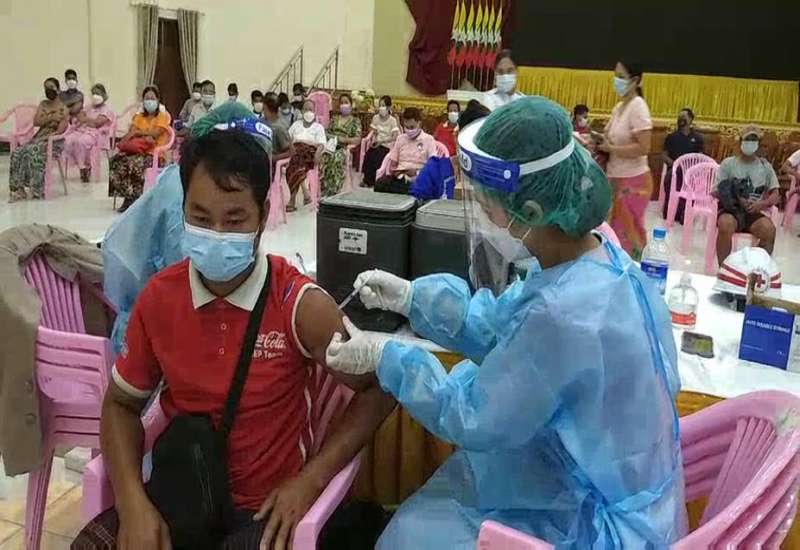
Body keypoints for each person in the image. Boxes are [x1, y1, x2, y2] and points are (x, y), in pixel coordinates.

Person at [325, 97, 686, 549]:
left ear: (531, 211)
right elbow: (501, 324)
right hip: (599, 478)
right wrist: (412, 298)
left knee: (409, 536)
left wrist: (387, 357)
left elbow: (473, 414)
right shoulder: (595, 257)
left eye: (488, 205)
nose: (485, 217)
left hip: (596, 524)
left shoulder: (564, 315)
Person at [72, 127, 396, 550]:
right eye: (201, 218)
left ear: (263, 215)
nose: (217, 233)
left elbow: (381, 388)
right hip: (183, 494)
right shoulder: (160, 299)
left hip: (265, 511)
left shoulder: (299, 306)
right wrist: (133, 504)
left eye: (235, 220)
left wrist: (311, 480)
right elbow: (121, 404)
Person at [598, 61, 653, 260]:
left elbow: (644, 147)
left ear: (635, 81)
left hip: (633, 181)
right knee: (613, 233)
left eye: (621, 77)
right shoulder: (620, 107)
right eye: (616, 76)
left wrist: (611, 149)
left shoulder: (638, 106)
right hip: (615, 177)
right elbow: (610, 137)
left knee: (629, 234)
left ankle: (636, 271)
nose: (617, 81)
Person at [714, 125, 779, 265]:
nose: (750, 143)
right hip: (731, 211)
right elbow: (716, 191)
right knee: (725, 224)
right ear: (740, 142)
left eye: (753, 140)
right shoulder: (728, 164)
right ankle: (723, 268)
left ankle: (755, 268)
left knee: (769, 230)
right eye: (747, 139)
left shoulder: (765, 167)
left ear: (759, 144)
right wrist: (736, 197)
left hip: (753, 212)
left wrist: (761, 204)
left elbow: (775, 195)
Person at [109, 85, 170, 213]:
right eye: (147, 98)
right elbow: (131, 132)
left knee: (134, 163)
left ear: (158, 100)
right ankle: (126, 196)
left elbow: (155, 134)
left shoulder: (162, 116)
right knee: (116, 160)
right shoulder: (139, 117)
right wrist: (142, 134)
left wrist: (138, 133)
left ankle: (135, 198)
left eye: (152, 98)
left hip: (154, 154)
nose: (149, 101)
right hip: (137, 150)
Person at [8, 77, 69, 201]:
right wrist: (52, 118)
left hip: (54, 141)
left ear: (58, 89)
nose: (48, 90)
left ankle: (37, 190)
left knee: (33, 151)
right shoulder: (43, 104)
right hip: (39, 137)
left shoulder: (64, 108)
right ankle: (18, 189)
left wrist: (47, 134)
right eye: (46, 87)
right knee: (17, 152)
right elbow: (36, 121)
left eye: (51, 87)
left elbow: (61, 130)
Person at [375, 107, 437, 194]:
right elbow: (393, 162)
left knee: (414, 188)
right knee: (379, 184)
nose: (409, 130)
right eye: (406, 127)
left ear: (419, 123)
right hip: (401, 177)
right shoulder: (401, 139)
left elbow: (433, 165)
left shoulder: (429, 140)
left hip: (418, 177)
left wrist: (417, 172)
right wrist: (395, 171)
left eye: (412, 127)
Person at [661, 108, 705, 222]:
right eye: (679, 117)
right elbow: (664, 156)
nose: (681, 120)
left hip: (691, 172)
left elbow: (700, 157)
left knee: (694, 181)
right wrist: (676, 164)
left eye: (684, 117)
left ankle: (686, 211)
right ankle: (671, 210)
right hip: (675, 171)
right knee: (672, 178)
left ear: (690, 119)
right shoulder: (671, 137)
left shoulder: (698, 138)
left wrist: (692, 169)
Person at [63, 83, 113, 182]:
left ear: (104, 95)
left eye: (98, 93)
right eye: (93, 93)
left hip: (96, 133)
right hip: (82, 129)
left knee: (81, 142)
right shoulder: (89, 106)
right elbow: (80, 116)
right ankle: (80, 164)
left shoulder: (106, 109)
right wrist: (87, 120)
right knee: (68, 140)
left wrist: (86, 120)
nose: (95, 96)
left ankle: (85, 167)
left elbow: (97, 123)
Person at [286, 99, 326, 211]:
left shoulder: (318, 127)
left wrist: (318, 153)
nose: (308, 112)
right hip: (296, 151)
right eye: (306, 109)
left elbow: (322, 144)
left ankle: (292, 199)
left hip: (310, 152)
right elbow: (288, 139)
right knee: (295, 164)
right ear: (302, 111)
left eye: (311, 109)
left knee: (295, 163)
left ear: (314, 111)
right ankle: (305, 192)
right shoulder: (296, 125)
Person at [320, 93, 362, 196]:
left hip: (344, 147)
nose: (344, 105)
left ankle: (334, 190)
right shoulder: (334, 119)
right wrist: (332, 137)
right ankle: (324, 190)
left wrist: (343, 139)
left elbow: (357, 139)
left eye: (346, 102)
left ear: (351, 105)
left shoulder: (355, 121)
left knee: (336, 158)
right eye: (342, 103)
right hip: (331, 145)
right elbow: (326, 132)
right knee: (323, 157)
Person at [362, 95, 400, 187]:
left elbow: (395, 137)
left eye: (383, 105)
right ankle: (367, 180)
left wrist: (382, 142)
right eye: (380, 105)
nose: (381, 108)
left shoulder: (392, 120)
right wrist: (373, 133)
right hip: (377, 143)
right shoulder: (376, 117)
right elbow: (372, 130)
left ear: (388, 107)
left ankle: (374, 180)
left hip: (387, 145)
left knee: (378, 156)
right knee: (369, 154)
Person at [262, 95, 293, 162]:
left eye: (264, 109)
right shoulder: (261, 121)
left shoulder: (280, 128)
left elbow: (290, 151)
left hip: (271, 161)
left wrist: (274, 158)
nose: (263, 111)